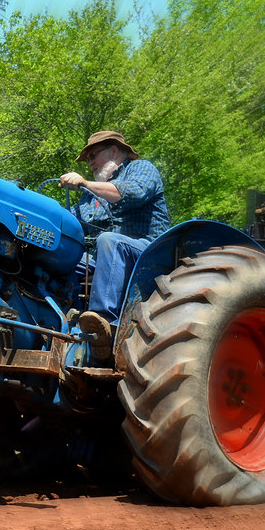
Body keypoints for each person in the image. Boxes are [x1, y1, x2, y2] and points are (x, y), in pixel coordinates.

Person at [59, 130, 170, 361]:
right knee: (63, 253)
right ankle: (58, 314)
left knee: (108, 240)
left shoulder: (142, 169)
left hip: (147, 254)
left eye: (92, 156)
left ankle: (104, 324)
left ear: (114, 151)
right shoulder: (90, 194)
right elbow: (75, 222)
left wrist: (84, 183)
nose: (89, 163)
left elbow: (131, 193)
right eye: (87, 159)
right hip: (106, 257)